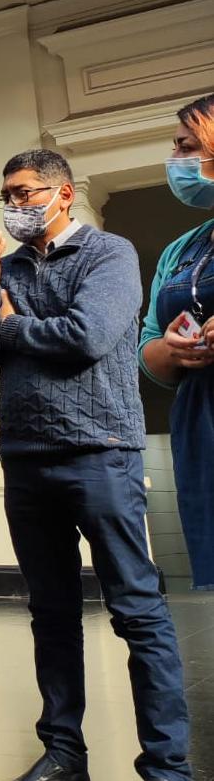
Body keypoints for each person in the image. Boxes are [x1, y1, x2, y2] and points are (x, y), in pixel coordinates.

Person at [0, 151, 192, 781]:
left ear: (62, 194)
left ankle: (168, 774)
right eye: (4, 194)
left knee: (137, 612)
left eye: (22, 192)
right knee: (51, 614)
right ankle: (64, 756)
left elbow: (87, 335)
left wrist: (11, 328)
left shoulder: (109, 253)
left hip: (101, 453)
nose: (11, 205)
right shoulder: (6, 266)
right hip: (26, 457)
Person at [139, 93, 214, 591]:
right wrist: (170, 351)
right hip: (202, 428)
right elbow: (146, 348)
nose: (176, 159)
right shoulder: (182, 250)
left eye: (186, 147)